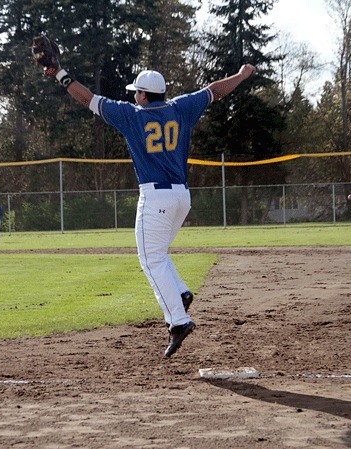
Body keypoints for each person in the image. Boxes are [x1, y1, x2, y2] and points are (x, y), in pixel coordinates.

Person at [36, 38, 256, 357]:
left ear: (142, 95)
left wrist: (59, 73)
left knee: (150, 258)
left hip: (155, 199)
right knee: (159, 254)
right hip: (182, 197)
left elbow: (88, 99)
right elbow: (215, 90)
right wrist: (241, 74)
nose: (133, 96)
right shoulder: (181, 107)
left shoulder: (131, 114)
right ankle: (180, 294)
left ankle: (179, 321)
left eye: (135, 92)